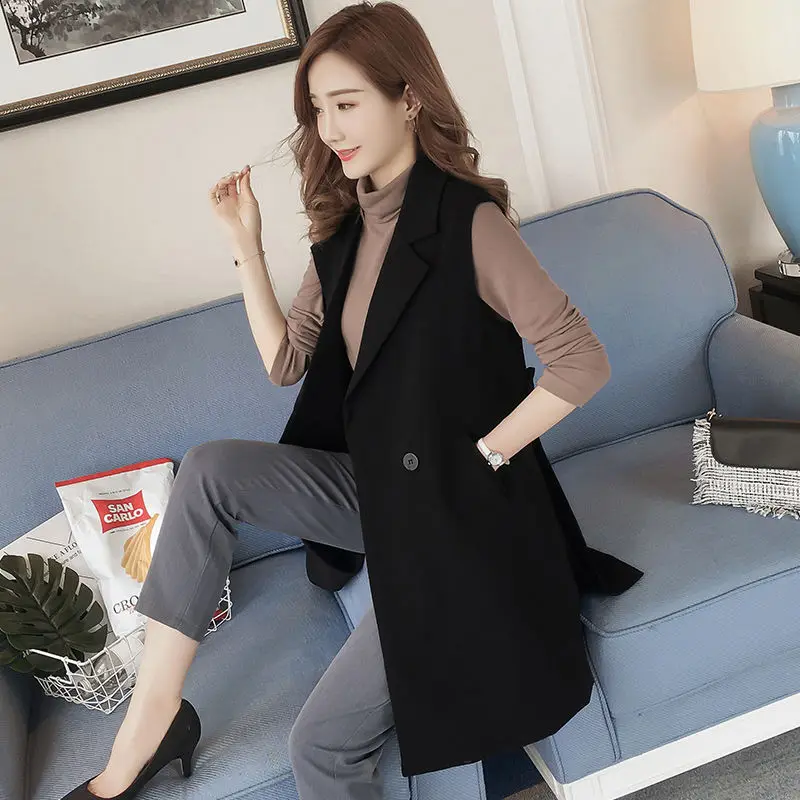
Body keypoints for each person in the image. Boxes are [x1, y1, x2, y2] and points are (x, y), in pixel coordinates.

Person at [63, 2, 644, 798]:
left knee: (321, 749)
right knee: (210, 469)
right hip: (385, 491)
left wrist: (485, 455)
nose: (329, 128)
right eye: (317, 109)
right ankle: (152, 718)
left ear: (409, 99)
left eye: (346, 103)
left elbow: (581, 361)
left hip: (462, 520)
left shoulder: (468, 223)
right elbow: (286, 362)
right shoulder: (343, 229)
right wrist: (246, 246)